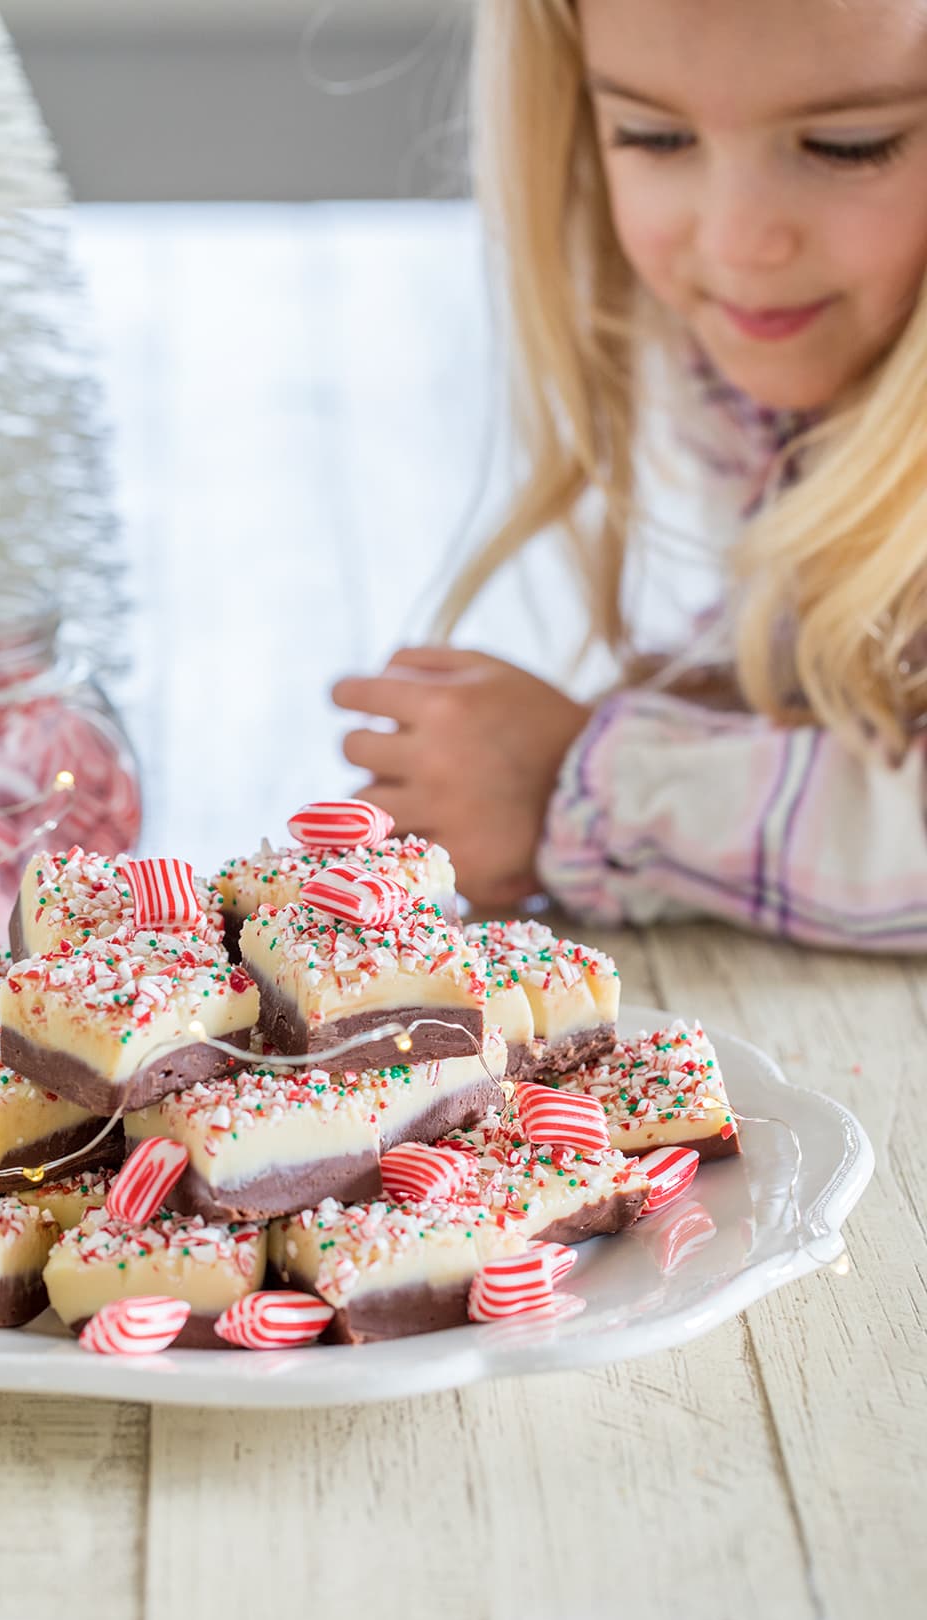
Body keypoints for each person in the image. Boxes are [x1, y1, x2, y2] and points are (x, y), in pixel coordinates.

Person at [332, 0, 927, 950]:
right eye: (653, 135)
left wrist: (594, 787)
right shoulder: (766, 347)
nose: (736, 241)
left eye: (848, 145)